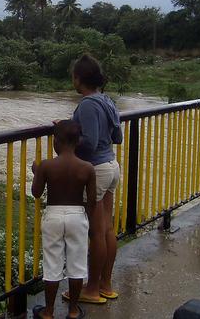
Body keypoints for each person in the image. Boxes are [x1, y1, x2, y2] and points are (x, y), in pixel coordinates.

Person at [63, 54, 123, 305]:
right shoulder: (107, 100)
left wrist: (67, 139)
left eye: (73, 77)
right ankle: (106, 285)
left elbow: (87, 142)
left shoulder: (87, 104)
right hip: (111, 165)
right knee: (107, 229)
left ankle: (91, 289)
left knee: (96, 233)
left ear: (79, 79)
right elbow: (117, 137)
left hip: (96, 170)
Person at [31, 120, 97, 319]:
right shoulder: (87, 168)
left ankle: (49, 312)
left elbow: (36, 192)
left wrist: (37, 172)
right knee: (77, 265)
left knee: (52, 265)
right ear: (78, 142)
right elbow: (92, 200)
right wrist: (89, 224)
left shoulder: (47, 166)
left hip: (53, 216)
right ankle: (74, 311)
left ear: (55, 142)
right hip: (77, 216)